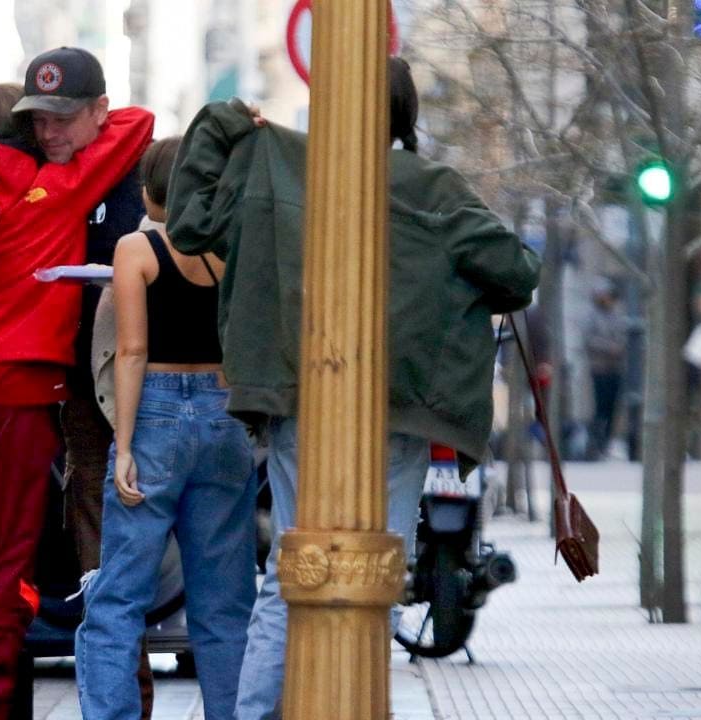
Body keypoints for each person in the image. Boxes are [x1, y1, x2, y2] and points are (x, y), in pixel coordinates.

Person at [166, 58, 541, 720]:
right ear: (405, 114)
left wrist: (223, 123)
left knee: (291, 580)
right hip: (396, 410)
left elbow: (188, 223)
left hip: (298, 399)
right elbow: (515, 272)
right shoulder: (433, 188)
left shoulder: (276, 166)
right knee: (375, 576)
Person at [0, 49, 158, 719]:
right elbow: (139, 120)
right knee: (9, 568)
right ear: (20, 130)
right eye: (38, 121)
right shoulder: (62, 185)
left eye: (60, 117)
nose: (50, 132)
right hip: (17, 397)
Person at [74, 138, 256, 720]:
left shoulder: (137, 247)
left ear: (152, 191)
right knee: (224, 604)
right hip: (225, 416)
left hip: (154, 413)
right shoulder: (235, 246)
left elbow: (131, 351)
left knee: (119, 598)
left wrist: (123, 446)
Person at [583, 279, 626, 461]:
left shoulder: (617, 316)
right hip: (599, 368)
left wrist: (619, 347)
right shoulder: (592, 316)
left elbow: (623, 337)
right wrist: (609, 348)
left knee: (611, 407)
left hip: (615, 369)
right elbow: (589, 340)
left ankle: (606, 442)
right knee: (600, 408)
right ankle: (596, 443)